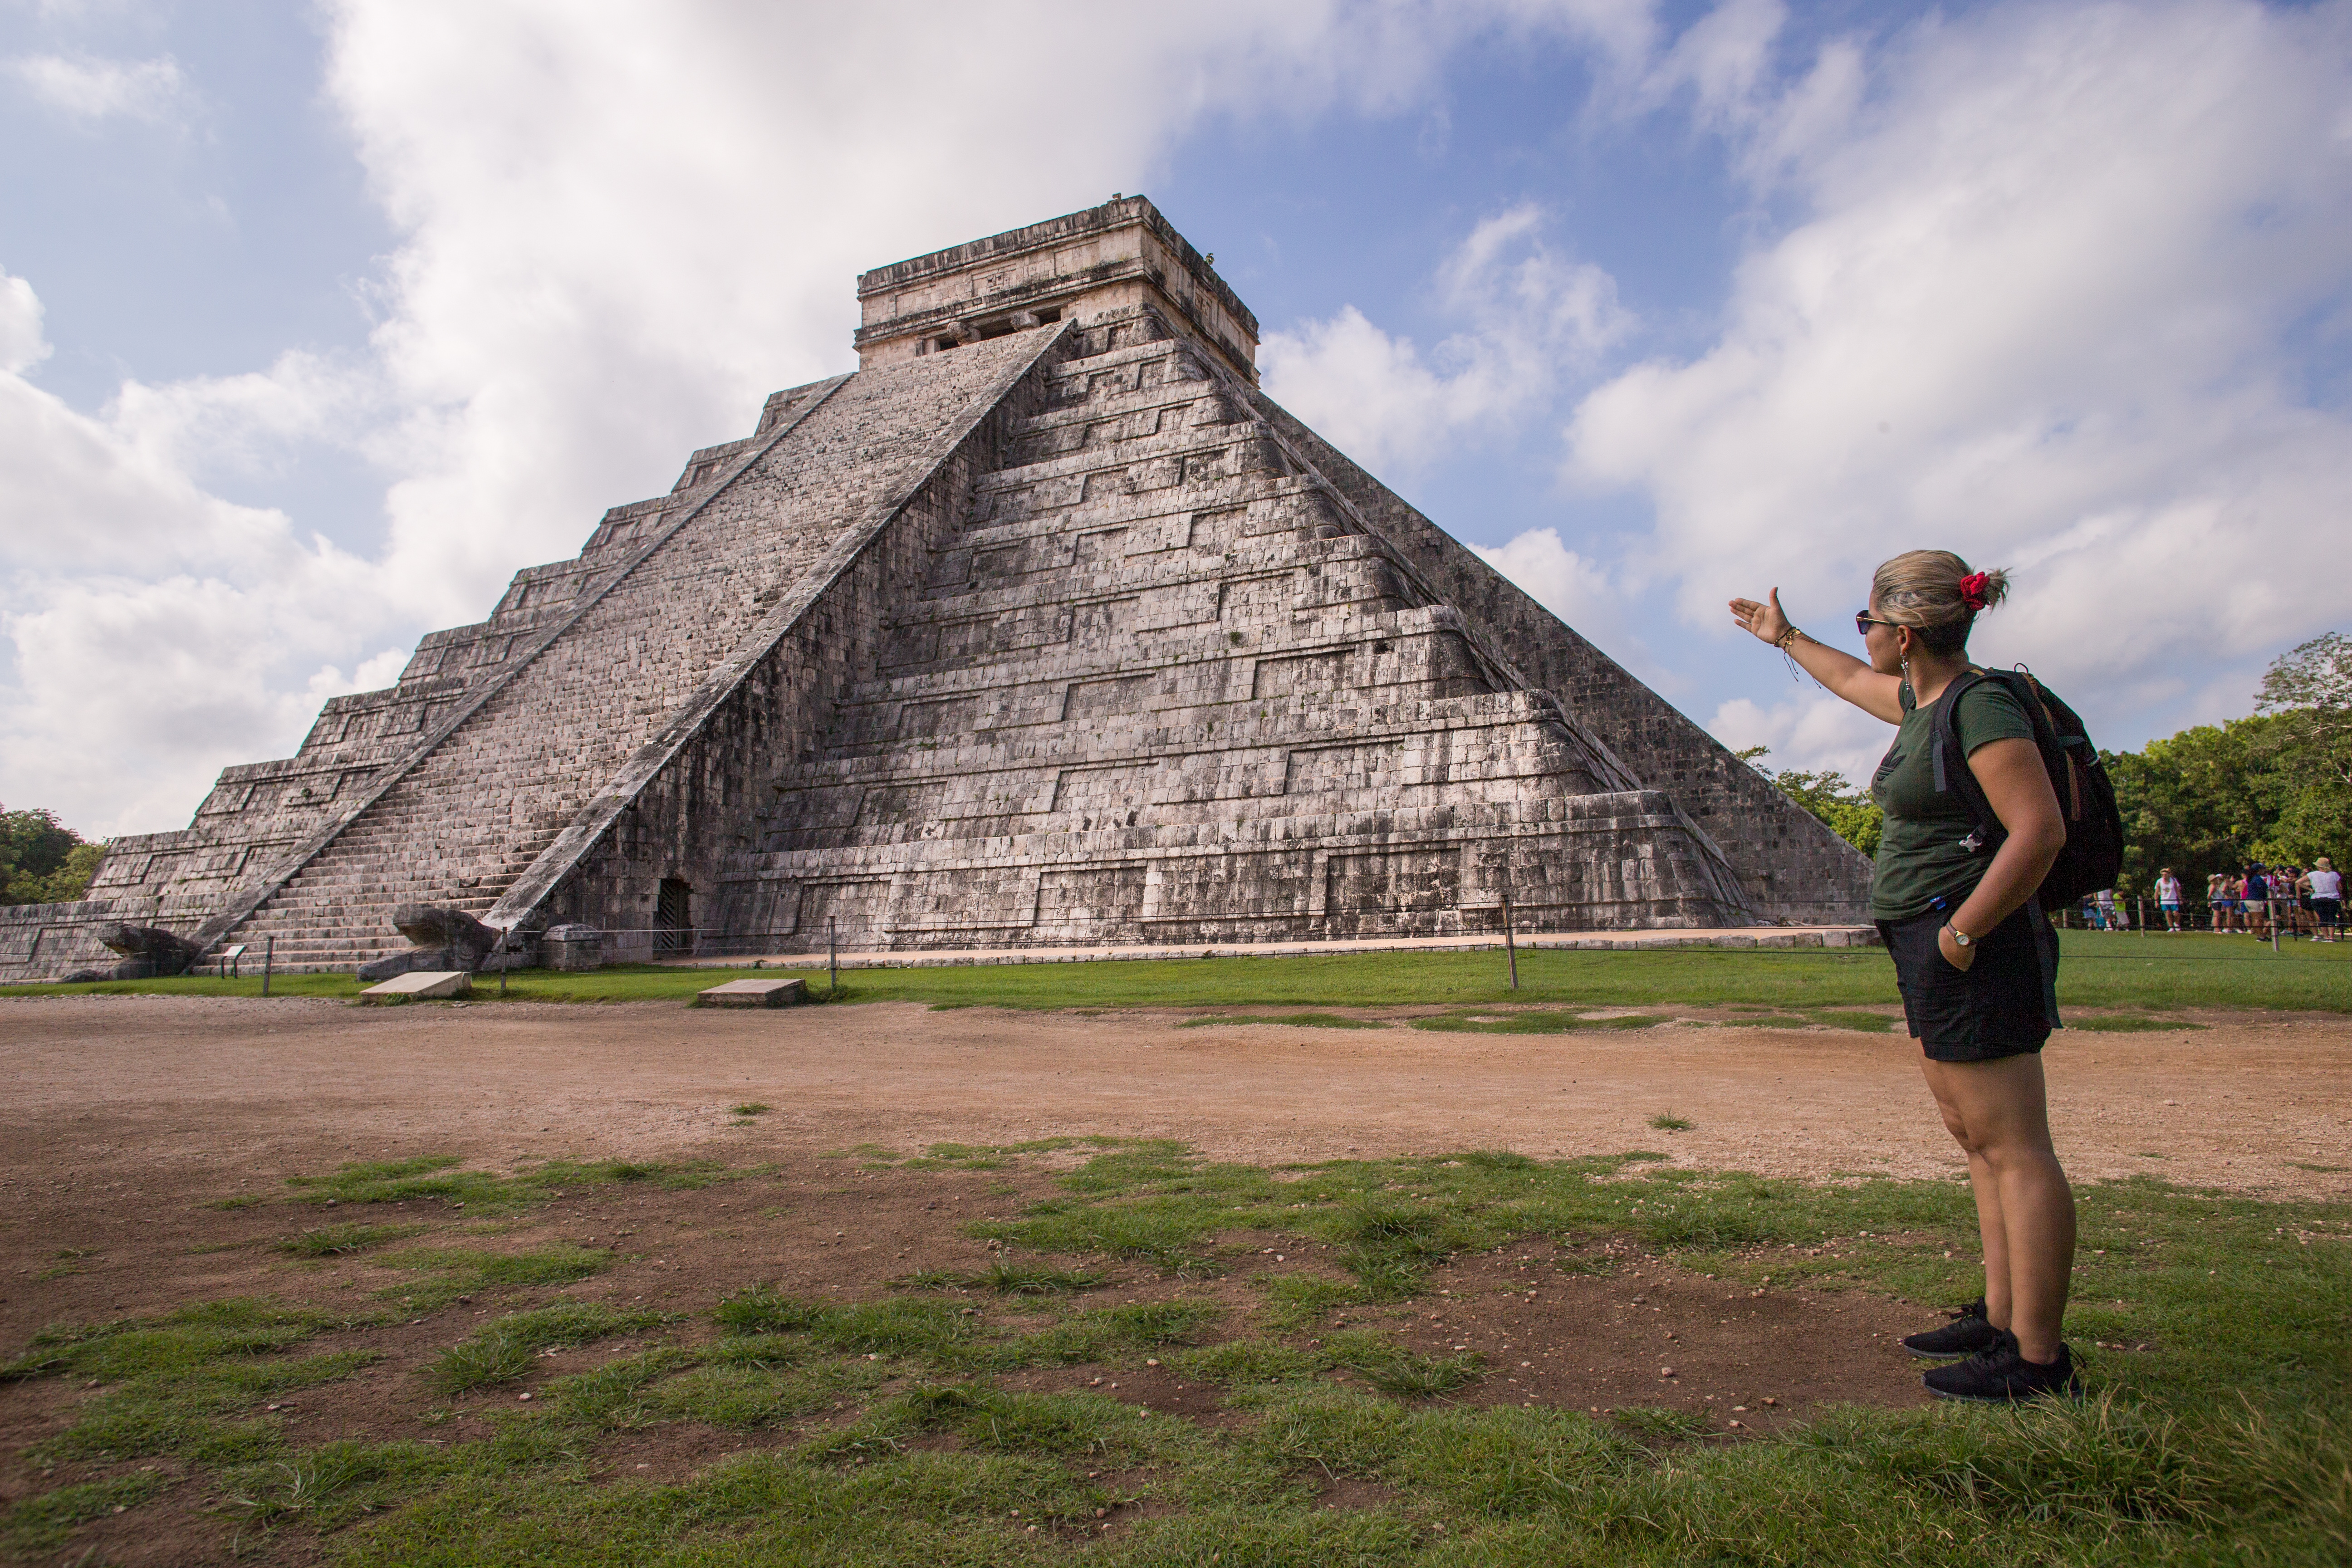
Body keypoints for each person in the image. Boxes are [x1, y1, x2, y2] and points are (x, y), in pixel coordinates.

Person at [1731, 551, 2078, 1402]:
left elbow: (2038, 830)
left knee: (2015, 1147)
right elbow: (1851, 680)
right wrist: (1786, 638)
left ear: (1908, 633)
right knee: (1976, 1139)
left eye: (1869, 622)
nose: (1864, 636)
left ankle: (2037, 1358)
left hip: (1972, 943)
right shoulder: (1924, 702)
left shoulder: (1979, 704)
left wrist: (1963, 931)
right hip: (1930, 939)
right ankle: (2001, 1317)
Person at [2311, 858, 2343, 942]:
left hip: (2318, 898)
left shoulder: (2313, 874)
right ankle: (2331, 937)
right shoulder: (2334, 874)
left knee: (2322, 918)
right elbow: (2340, 888)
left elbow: (2298, 882)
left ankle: (2326, 937)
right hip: (2333, 898)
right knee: (2332, 917)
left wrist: (2310, 889)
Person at [2244, 864, 2270, 940]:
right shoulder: (2257, 878)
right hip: (2256, 900)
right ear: (2259, 870)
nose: (2264, 871)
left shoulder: (2251, 878)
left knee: (2255, 919)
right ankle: (2261, 936)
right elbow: (2263, 888)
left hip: (2249, 900)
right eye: (2262, 869)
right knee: (2258, 919)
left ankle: (2260, 935)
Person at [2156, 868, 2183, 932]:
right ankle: (2171, 928)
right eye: (2163, 875)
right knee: (2168, 914)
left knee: (2176, 914)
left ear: (2168, 875)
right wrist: (2156, 902)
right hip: (2164, 901)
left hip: (2174, 900)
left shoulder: (2173, 881)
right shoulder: (2159, 881)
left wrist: (2180, 899)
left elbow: (2178, 890)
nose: (2164, 876)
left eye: (2166, 874)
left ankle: (2176, 924)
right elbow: (2157, 892)